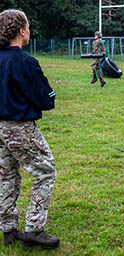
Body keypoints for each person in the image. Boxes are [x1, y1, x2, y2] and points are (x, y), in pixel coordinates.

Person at [0, 9, 59, 249]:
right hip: (19, 127)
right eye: (28, 26)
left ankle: (8, 229)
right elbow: (46, 99)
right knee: (45, 171)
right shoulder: (25, 61)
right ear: (22, 31)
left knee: (6, 175)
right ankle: (34, 229)